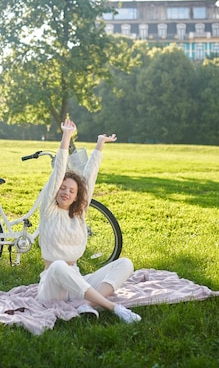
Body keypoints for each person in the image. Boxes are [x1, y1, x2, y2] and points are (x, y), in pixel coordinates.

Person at [35, 118, 141, 323]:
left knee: (125, 263)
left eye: (71, 190)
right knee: (58, 265)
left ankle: (88, 305)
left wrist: (100, 144)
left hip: (76, 279)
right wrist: (66, 135)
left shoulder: (79, 212)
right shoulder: (48, 209)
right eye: (62, 188)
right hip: (52, 284)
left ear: (77, 196)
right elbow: (58, 171)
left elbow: (89, 178)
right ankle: (114, 308)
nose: (65, 192)